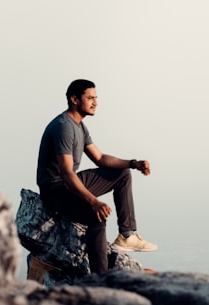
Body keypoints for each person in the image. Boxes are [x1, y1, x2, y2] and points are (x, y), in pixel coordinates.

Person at [36, 79, 157, 274]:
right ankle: (100, 278)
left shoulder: (80, 127)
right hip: (55, 190)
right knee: (96, 216)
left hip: (68, 184)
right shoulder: (63, 126)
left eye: (96, 98)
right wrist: (93, 202)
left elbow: (100, 158)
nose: (95, 102)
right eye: (90, 98)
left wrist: (133, 163)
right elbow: (66, 173)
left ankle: (127, 235)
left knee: (122, 174)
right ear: (74, 99)